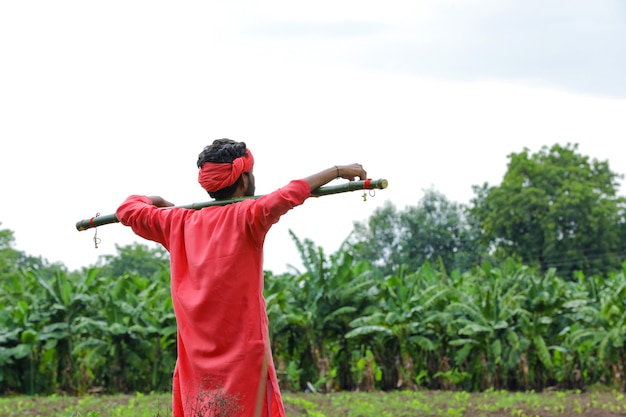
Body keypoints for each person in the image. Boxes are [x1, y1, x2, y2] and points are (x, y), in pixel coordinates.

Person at [116, 138, 367, 417]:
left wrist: (157, 201)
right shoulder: (248, 215)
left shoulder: (176, 222)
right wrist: (336, 171)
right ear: (244, 180)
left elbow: (128, 209)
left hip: (195, 360)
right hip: (244, 357)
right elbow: (288, 194)